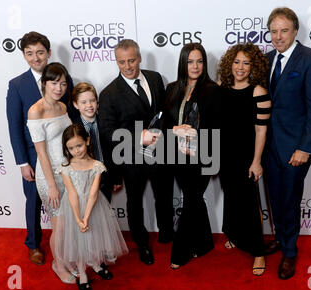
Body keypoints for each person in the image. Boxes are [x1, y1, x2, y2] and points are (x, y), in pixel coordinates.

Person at [98, 39, 174, 265]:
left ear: (139, 57)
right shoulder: (109, 93)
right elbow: (108, 132)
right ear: (117, 62)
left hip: (161, 152)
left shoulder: (155, 78)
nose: (128, 66)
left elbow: (163, 114)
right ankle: (142, 244)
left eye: (131, 60)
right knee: (134, 202)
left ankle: (167, 231)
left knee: (164, 194)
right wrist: (139, 138)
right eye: (122, 62)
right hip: (131, 157)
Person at [6, 31, 78, 266]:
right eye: (29, 53)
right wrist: (22, 163)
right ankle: (33, 244)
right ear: (24, 56)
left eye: (39, 52)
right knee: (34, 201)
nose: (35, 58)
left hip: (62, 155)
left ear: (48, 52)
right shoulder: (17, 84)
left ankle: (68, 244)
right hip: (31, 154)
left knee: (67, 201)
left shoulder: (63, 78)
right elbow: (14, 125)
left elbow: (72, 116)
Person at [265, 7, 311, 279]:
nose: (278, 36)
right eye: (274, 31)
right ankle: (280, 238)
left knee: (290, 200)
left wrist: (306, 147)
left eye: (284, 31)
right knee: (275, 199)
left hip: (295, 148)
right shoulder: (265, 60)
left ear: (295, 31)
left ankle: (290, 252)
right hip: (268, 147)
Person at [216, 43, 271, 276]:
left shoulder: (258, 91)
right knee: (232, 198)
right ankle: (236, 237)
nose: (240, 67)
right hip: (224, 155)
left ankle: (258, 250)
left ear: (253, 66)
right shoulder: (221, 86)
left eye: (246, 63)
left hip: (247, 156)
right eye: (236, 62)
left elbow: (261, 131)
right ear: (230, 63)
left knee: (249, 203)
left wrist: (256, 161)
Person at [55, 123, 128, 290]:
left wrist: (86, 217)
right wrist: (79, 219)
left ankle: (96, 264)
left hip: (93, 206)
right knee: (78, 241)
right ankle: (82, 274)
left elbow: (94, 192)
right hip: (73, 208)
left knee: (95, 236)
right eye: (71, 148)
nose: (76, 151)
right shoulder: (66, 168)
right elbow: (72, 193)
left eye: (79, 145)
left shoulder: (97, 165)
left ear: (87, 141)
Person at [163, 43, 219, 269]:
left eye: (199, 61)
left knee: (190, 200)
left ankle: (180, 252)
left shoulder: (212, 89)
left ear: (204, 64)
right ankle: (204, 242)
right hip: (176, 155)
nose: (195, 66)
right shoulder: (172, 88)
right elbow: (164, 121)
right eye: (190, 61)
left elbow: (217, 127)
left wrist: (196, 134)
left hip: (201, 155)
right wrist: (175, 130)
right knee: (194, 198)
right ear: (183, 63)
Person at [27, 62, 75, 283]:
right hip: (50, 176)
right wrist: (52, 184)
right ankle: (59, 264)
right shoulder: (36, 111)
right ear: (44, 83)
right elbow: (41, 153)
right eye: (54, 83)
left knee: (71, 222)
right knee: (60, 226)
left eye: (63, 83)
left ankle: (67, 259)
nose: (59, 88)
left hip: (68, 172)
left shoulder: (63, 107)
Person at [72, 82, 118, 202]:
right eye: (83, 102)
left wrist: (116, 178)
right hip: (84, 179)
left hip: (105, 176)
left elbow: (114, 150)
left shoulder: (107, 123)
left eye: (92, 100)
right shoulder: (73, 127)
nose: (89, 105)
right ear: (76, 104)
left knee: (104, 213)